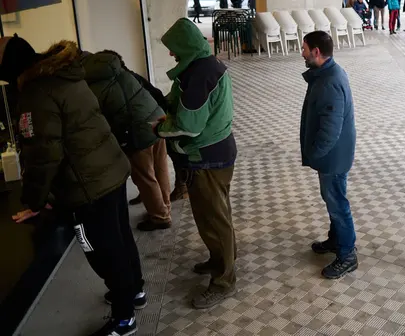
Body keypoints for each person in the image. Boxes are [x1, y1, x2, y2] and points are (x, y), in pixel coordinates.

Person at [1, 36, 142, 336]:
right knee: (120, 238)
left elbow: (43, 154)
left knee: (103, 250)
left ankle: (124, 318)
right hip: (109, 168)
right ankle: (134, 292)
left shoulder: (36, 93)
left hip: (87, 185)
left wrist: (34, 201)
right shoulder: (62, 74)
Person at [156, 18, 238, 309]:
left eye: (174, 48)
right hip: (218, 152)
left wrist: (160, 128)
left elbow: (190, 126)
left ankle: (224, 281)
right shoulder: (205, 64)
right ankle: (220, 260)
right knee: (216, 215)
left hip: (207, 157)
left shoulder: (200, 74)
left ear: (186, 45)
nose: (171, 54)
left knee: (214, 219)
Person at [80, 50, 171, 231]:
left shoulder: (93, 86)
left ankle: (160, 217)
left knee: (144, 175)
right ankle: (163, 207)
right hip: (158, 119)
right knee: (160, 167)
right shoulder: (120, 71)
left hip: (137, 130)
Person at [300, 31, 359, 279]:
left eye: (304, 49)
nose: (301, 53)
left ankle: (347, 255)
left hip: (333, 158)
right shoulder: (327, 74)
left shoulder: (329, 81)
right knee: (333, 199)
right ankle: (336, 240)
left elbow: (330, 130)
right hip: (333, 156)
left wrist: (315, 155)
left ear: (316, 52)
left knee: (337, 203)